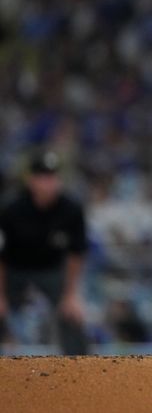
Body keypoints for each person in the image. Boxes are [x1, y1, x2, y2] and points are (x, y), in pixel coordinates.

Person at [0, 150, 89, 354]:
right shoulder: (11, 209)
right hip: (14, 269)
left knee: (72, 312)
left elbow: (77, 253)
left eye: (53, 177)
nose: (49, 182)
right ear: (31, 180)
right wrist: (0, 295)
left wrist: (71, 294)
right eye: (43, 177)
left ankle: (82, 367)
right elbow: (1, 256)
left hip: (52, 269)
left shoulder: (71, 209)